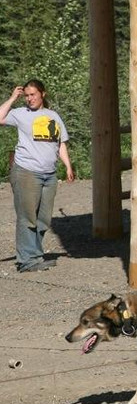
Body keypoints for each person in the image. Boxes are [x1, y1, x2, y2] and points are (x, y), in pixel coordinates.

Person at [0, 80, 74, 272]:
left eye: (33, 94)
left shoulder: (53, 116)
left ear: (43, 94)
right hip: (26, 172)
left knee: (43, 218)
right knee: (27, 217)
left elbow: (61, 143)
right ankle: (27, 261)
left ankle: (36, 255)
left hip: (49, 174)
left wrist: (68, 166)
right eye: (26, 95)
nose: (29, 98)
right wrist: (12, 98)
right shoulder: (19, 114)